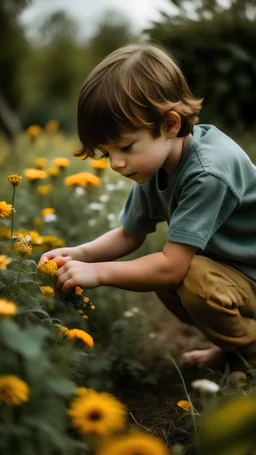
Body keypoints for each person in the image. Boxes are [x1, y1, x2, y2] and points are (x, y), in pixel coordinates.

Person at [39, 43, 256, 379]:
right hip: (235, 273)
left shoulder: (208, 171)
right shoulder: (155, 164)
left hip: (250, 275)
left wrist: (99, 274)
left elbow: (171, 267)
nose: (116, 163)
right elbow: (130, 234)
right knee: (163, 280)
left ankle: (250, 354)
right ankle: (233, 347)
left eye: (125, 147)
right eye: (106, 153)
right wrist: (80, 254)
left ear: (169, 124)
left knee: (188, 278)